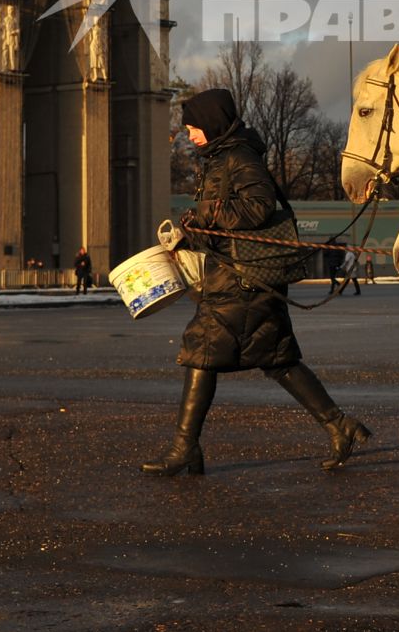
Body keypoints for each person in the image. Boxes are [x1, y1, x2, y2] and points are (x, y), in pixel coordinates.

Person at [143, 87, 371, 477]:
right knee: (278, 359)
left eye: (194, 127)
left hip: (243, 280)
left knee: (201, 351)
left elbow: (257, 207)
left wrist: (208, 215)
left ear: (213, 123)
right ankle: (340, 426)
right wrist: (192, 233)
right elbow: (227, 226)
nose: (190, 134)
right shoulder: (219, 159)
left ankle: (185, 448)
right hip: (237, 275)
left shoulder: (238, 157)